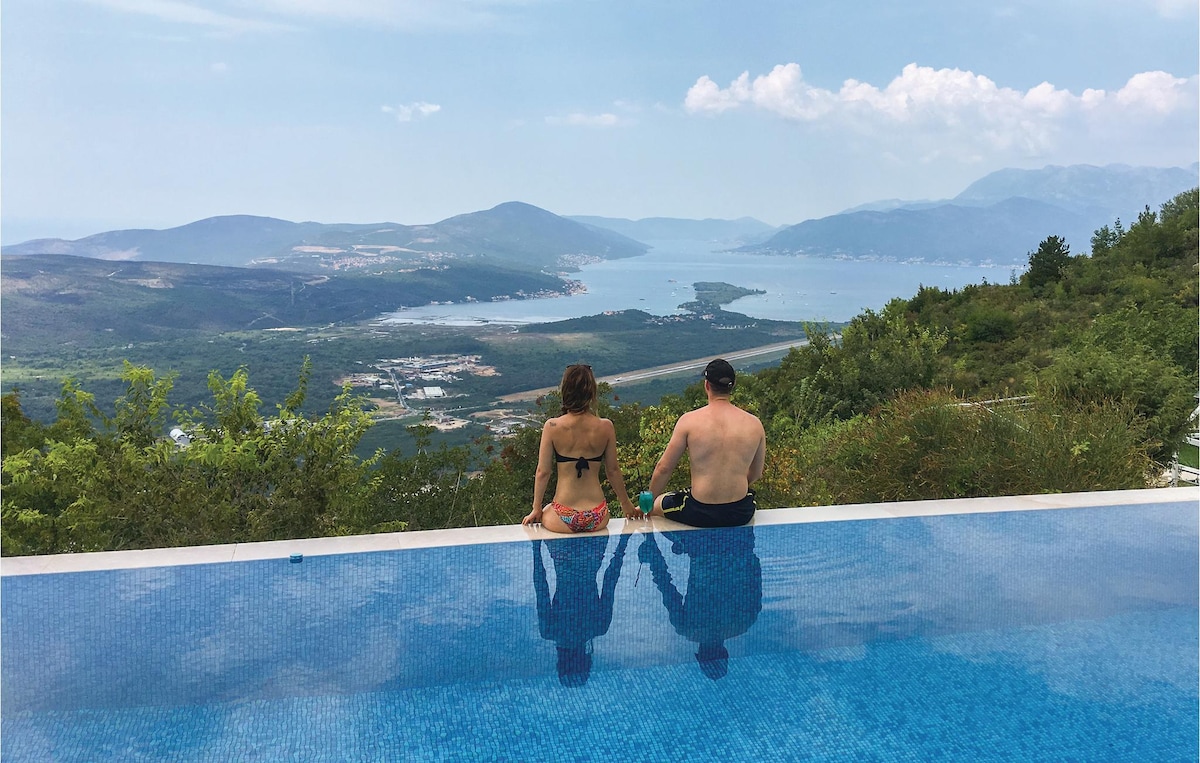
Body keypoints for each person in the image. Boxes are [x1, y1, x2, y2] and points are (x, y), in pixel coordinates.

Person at [644, 358, 765, 527]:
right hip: (740, 512)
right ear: (732, 386)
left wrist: (647, 504)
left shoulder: (689, 421)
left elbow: (664, 468)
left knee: (659, 504)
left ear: (706, 385)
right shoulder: (754, 424)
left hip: (700, 512)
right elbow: (756, 473)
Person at [637, 526, 762, 680]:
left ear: (725, 651)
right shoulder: (687, 628)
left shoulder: (746, 622)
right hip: (701, 544)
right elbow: (664, 581)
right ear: (700, 652)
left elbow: (755, 567)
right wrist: (650, 543)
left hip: (739, 539)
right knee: (662, 522)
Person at [524, 364, 637, 533]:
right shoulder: (606, 427)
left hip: (563, 515)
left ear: (565, 391)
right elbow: (613, 470)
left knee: (549, 510)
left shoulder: (553, 426)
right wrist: (626, 505)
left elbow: (543, 472)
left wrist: (536, 508)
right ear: (591, 392)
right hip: (597, 515)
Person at [532, 533, 632, 687]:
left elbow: (610, 581)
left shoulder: (599, 627)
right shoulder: (549, 632)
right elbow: (541, 587)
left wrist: (623, 544)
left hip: (593, 551)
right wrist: (536, 547)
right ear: (560, 663)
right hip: (561, 553)